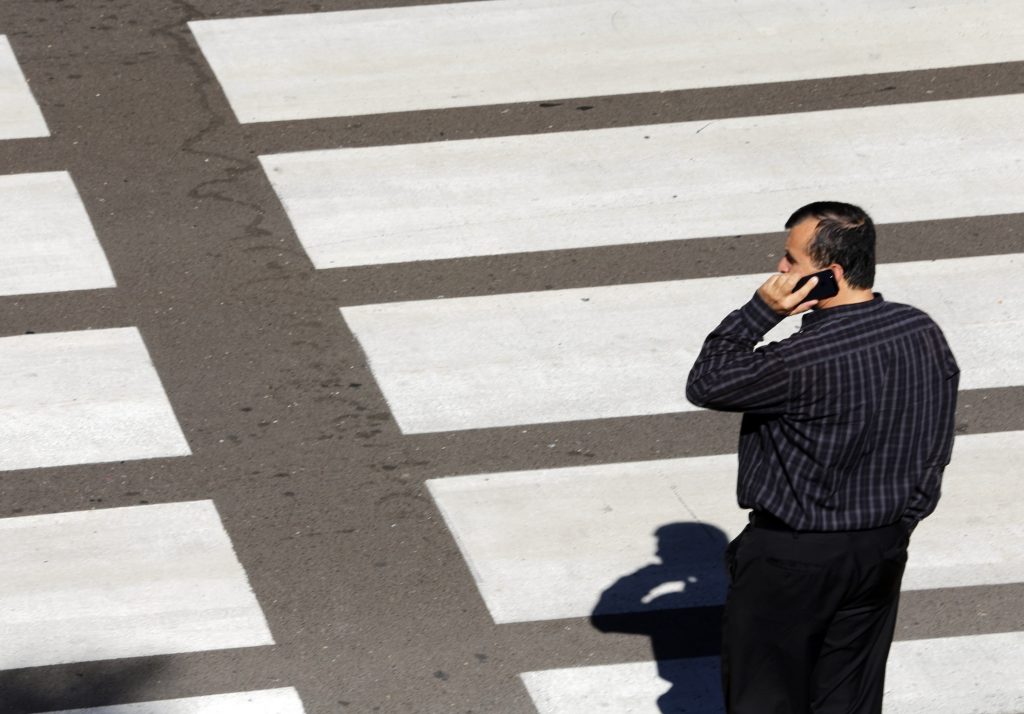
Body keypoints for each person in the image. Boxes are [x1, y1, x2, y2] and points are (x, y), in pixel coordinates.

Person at [685, 201, 960, 714]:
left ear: (829, 274)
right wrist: (903, 524)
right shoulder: (919, 331)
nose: (779, 271)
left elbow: (707, 383)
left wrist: (759, 313)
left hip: (792, 556)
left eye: (790, 261)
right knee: (849, 701)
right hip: (878, 549)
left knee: (764, 700)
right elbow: (935, 444)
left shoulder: (800, 359)